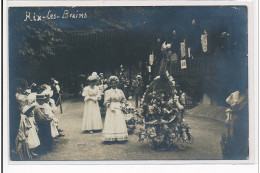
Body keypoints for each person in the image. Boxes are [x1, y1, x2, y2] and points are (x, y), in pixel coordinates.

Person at [102, 76, 128, 142]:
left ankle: (120, 136)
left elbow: (124, 100)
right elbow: (105, 101)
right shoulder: (107, 92)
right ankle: (110, 137)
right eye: (112, 83)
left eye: (115, 83)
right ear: (110, 84)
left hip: (119, 107)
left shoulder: (120, 91)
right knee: (111, 121)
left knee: (119, 121)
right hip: (111, 107)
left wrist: (123, 105)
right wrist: (110, 106)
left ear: (117, 84)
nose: (113, 85)